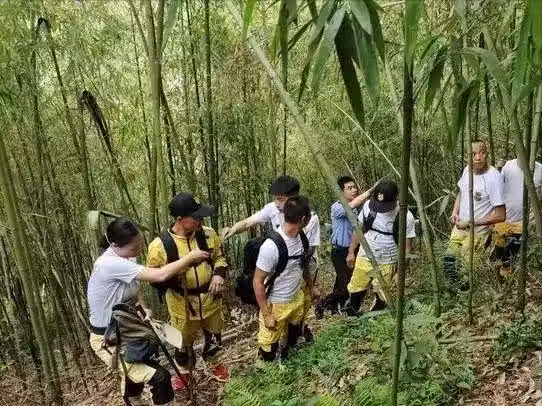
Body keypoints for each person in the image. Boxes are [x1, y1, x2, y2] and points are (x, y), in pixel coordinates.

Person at [88, 217, 210, 406]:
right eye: (134, 247)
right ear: (114, 245)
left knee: (135, 373)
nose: (139, 250)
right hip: (108, 339)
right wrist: (189, 258)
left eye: (140, 244)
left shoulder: (126, 256)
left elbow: (134, 286)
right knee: (159, 377)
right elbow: (160, 274)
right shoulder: (108, 264)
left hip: (128, 329)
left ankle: (134, 401)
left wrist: (142, 306)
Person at [221, 175, 320, 342]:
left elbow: (308, 251)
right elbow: (248, 222)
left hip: (299, 268)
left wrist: (310, 284)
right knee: (277, 311)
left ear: (293, 198)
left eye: (280, 199)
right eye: (275, 198)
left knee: (300, 307)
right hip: (279, 269)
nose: (276, 203)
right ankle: (276, 342)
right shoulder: (272, 209)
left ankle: (297, 334)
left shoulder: (309, 218)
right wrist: (233, 229)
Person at [147, 193, 229, 390]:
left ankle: (215, 363)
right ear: (179, 219)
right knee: (182, 342)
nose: (200, 221)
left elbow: (220, 258)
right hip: (181, 302)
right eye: (196, 217)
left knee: (214, 335)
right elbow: (153, 278)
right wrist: (180, 268)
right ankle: (184, 372)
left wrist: (218, 275)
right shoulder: (159, 246)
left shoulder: (208, 234)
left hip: (210, 298)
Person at [253, 196, 320, 361]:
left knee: (293, 335)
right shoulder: (271, 247)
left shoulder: (302, 238)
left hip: (296, 298)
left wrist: (311, 287)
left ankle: (288, 357)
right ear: (303, 219)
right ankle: (268, 365)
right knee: (269, 347)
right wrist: (267, 314)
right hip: (275, 304)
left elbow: (302, 265)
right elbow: (257, 281)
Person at [345, 179, 416, 314]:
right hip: (365, 254)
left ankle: (373, 318)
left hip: (388, 259)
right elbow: (358, 229)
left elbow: (407, 248)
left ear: (395, 199)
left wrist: (400, 272)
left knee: (383, 294)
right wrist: (351, 251)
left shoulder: (406, 216)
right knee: (356, 288)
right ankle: (352, 315)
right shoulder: (368, 206)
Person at [444, 139, 505, 290]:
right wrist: (455, 212)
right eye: (473, 154)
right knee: (448, 261)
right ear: (467, 156)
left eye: (481, 153)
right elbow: (461, 193)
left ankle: (468, 297)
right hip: (459, 228)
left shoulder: (494, 178)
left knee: (467, 270)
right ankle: (455, 293)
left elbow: (500, 215)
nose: (478, 157)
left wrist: (470, 222)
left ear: (487, 154)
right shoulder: (467, 170)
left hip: (477, 233)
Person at [315, 176, 375, 318]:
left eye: (354, 187)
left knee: (344, 282)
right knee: (345, 285)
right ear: (341, 192)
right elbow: (350, 207)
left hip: (352, 250)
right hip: (339, 251)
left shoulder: (357, 209)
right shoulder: (337, 207)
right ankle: (322, 304)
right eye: (349, 188)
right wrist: (369, 191)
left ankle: (336, 308)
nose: (354, 190)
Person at [493, 158, 542, 276]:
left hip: (523, 221)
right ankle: (497, 274)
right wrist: (497, 169)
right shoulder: (507, 166)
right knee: (499, 250)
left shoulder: (540, 170)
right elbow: (494, 187)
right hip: (503, 217)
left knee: (511, 253)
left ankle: (507, 277)